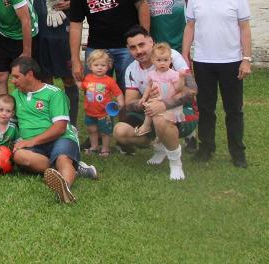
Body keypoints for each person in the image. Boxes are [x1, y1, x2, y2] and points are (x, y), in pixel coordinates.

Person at [182, 0, 252, 168]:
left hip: (231, 61)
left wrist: (246, 58)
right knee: (205, 107)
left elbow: (244, 27)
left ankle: (237, 152)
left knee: (234, 109)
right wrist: (185, 56)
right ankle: (206, 148)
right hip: (203, 62)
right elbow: (190, 26)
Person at [113, 26, 198, 180]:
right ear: (128, 49)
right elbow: (130, 103)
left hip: (182, 110)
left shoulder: (171, 56)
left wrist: (164, 104)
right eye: (133, 47)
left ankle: (175, 162)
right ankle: (160, 147)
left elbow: (192, 89)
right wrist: (144, 102)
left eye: (142, 44)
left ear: (151, 42)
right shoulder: (131, 69)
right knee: (120, 131)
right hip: (150, 110)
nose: (138, 51)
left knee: (160, 117)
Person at [10, 57, 98, 204]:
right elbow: (9, 123)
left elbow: (60, 128)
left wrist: (31, 141)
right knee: (19, 156)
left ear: (30, 74)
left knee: (62, 158)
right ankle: (73, 169)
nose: (13, 81)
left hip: (60, 138)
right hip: (34, 147)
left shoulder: (54, 93)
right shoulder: (15, 95)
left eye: (16, 76)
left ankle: (65, 189)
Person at [69, 0, 149, 92]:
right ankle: (101, 117)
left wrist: (143, 38)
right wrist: (75, 60)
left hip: (127, 46)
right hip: (97, 47)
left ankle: (127, 116)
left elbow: (142, 4)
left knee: (129, 91)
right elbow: (75, 25)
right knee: (95, 93)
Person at [29, 0, 83, 126]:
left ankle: (73, 123)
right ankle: (51, 121)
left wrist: (70, 4)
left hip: (65, 33)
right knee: (46, 80)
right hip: (42, 33)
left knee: (68, 78)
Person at [134, 43, 185, 138]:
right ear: (153, 61)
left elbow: (178, 88)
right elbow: (148, 87)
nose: (162, 63)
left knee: (165, 122)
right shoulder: (152, 74)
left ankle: (166, 136)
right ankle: (147, 126)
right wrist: (144, 97)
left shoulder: (173, 74)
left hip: (169, 100)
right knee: (149, 107)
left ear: (170, 60)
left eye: (165, 60)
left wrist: (181, 78)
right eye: (159, 60)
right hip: (157, 98)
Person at [79, 50, 124, 157]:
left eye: (103, 65)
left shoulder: (109, 81)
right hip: (89, 112)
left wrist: (121, 102)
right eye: (96, 65)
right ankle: (94, 147)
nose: (99, 67)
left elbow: (118, 93)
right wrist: (76, 79)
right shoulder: (88, 78)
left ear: (108, 66)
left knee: (105, 132)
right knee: (92, 130)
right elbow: (82, 87)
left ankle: (105, 148)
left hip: (104, 114)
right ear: (90, 66)